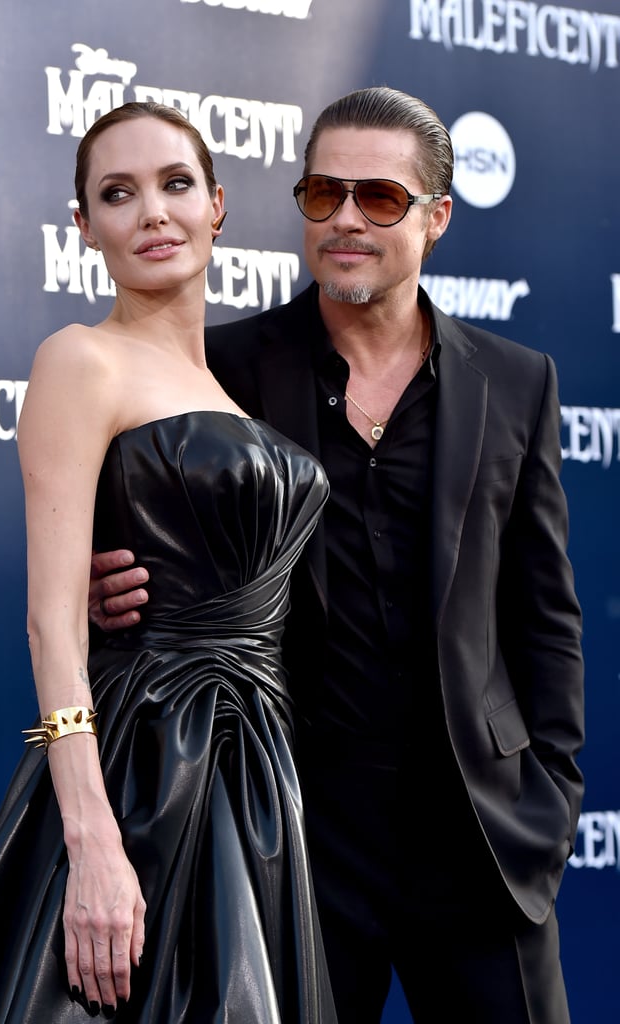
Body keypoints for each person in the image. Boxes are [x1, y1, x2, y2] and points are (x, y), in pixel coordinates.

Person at [89, 87, 585, 1024]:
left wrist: (550, 796)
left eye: (380, 199)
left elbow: (544, 614)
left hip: (482, 840)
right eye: (323, 194)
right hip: (293, 835)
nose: (346, 219)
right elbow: (123, 550)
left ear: (436, 219)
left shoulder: (517, 382)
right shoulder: (217, 368)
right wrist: (94, 584)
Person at [0, 102, 337, 1023]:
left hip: (257, 767)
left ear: (218, 205)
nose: (153, 214)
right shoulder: (80, 361)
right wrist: (92, 838)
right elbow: (52, 625)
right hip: (145, 768)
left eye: (175, 186)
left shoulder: (234, 389)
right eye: (117, 194)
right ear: (83, 226)